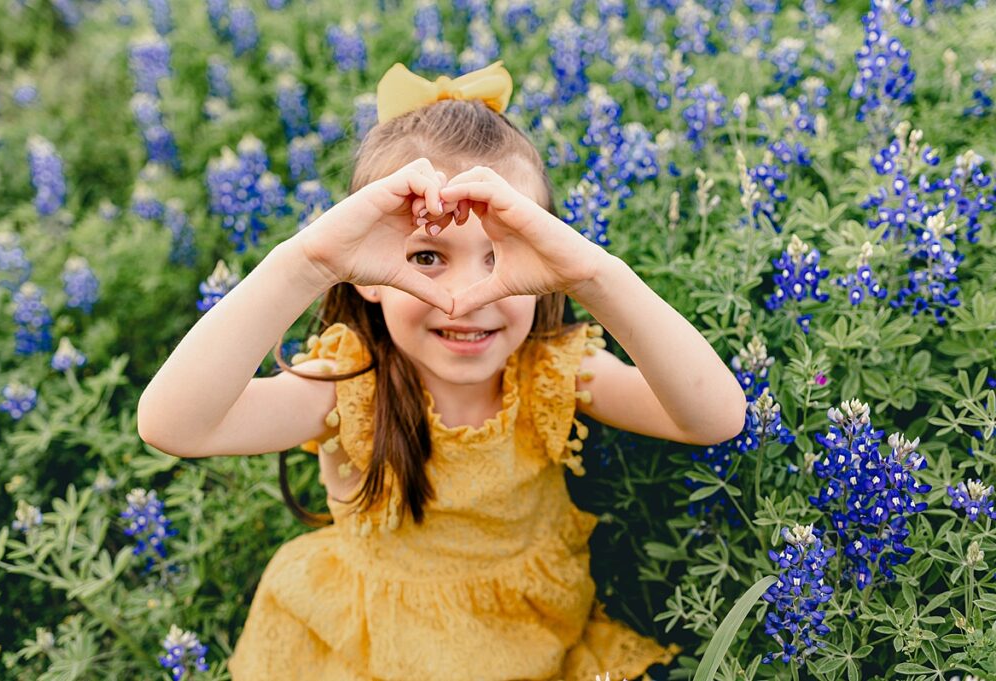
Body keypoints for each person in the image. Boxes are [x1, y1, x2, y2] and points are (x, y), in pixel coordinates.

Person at [137, 59, 747, 681]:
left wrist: (594, 275)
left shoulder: (550, 373)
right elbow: (175, 425)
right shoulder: (350, 387)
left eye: (499, 257)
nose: (466, 295)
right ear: (369, 276)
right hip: (371, 656)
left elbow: (714, 418)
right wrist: (311, 262)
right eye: (427, 255)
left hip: (533, 650)